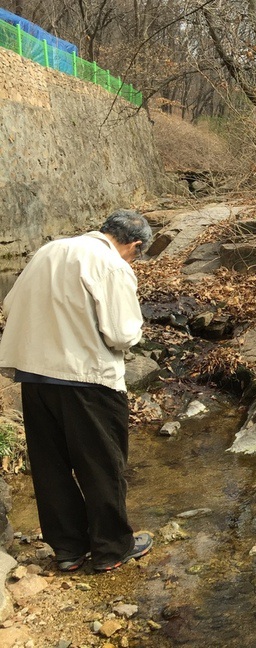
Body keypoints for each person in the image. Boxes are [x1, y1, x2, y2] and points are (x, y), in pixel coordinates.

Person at [0, 210, 155, 573]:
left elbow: (10, 304)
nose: (135, 259)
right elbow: (121, 333)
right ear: (134, 245)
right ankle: (111, 549)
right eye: (138, 253)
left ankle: (68, 549)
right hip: (88, 380)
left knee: (51, 468)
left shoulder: (48, 251)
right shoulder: (112, 265)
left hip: (36, 377)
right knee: (102, 466)